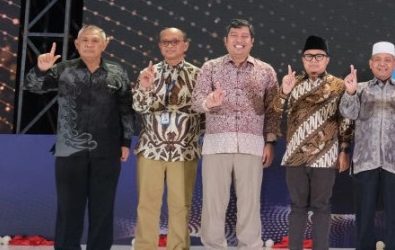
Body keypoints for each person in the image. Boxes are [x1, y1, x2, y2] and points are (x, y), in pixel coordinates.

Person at [23, 25, 136, 250]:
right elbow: (32, 86)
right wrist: (40, 70)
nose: (89, 44)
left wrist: (125, 142)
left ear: (104, 44)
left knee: (103, 208)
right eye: (84, 40)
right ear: (77, 44)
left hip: (107, 150)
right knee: (69, 208)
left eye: (95, 41)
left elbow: (126, 109)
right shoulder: (63, 69)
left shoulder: (117, 72)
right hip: (69, 150)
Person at [192, 18, 282, 250]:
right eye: (234, 35)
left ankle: (250, 246)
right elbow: (196, 101)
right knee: (213, 203)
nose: (239, 40)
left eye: (244, 36)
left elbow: (273, 110)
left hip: (252, 145)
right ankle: (213, 246)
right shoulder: (210, 67)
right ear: (225, 40)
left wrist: (270, 142)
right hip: (217, 144)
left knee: (250, 203)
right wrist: (209, 102)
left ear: (252, 41)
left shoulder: (265, 71)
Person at [270, 35, 350, 250]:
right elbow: (275, 112)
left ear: (327, 59)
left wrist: (344, 150)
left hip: (325, 156)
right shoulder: (293, 83)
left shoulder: (338, 85)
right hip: (295, 156)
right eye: (309, 56)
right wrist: (284, 92)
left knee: (322, 206)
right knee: (297, 206)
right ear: (302, 59)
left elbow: (346, 120)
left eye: (319, 56)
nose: (314, 60)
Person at [340, 41, 395, 250]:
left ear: (394, 63)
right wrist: (349, 92)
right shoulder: (359, 89)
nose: (382, 64)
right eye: (378, 60)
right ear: (371, 63)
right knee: (364, 218)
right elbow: (347, 114)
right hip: (365, 162)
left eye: (387, 60)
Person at [132, 28, 203, 250]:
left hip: (184, 150)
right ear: (160, 46)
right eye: (165, 42)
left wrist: (191, 136)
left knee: (181, 205)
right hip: (151, 148)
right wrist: (144, 87)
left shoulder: (198, 74)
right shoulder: (148, 72)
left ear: (185, 45)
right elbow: (139, 107)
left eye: (175, 41)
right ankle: (144, 247)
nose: (170, 45)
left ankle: (178, 247)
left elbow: (204, 114)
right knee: (147, 204)